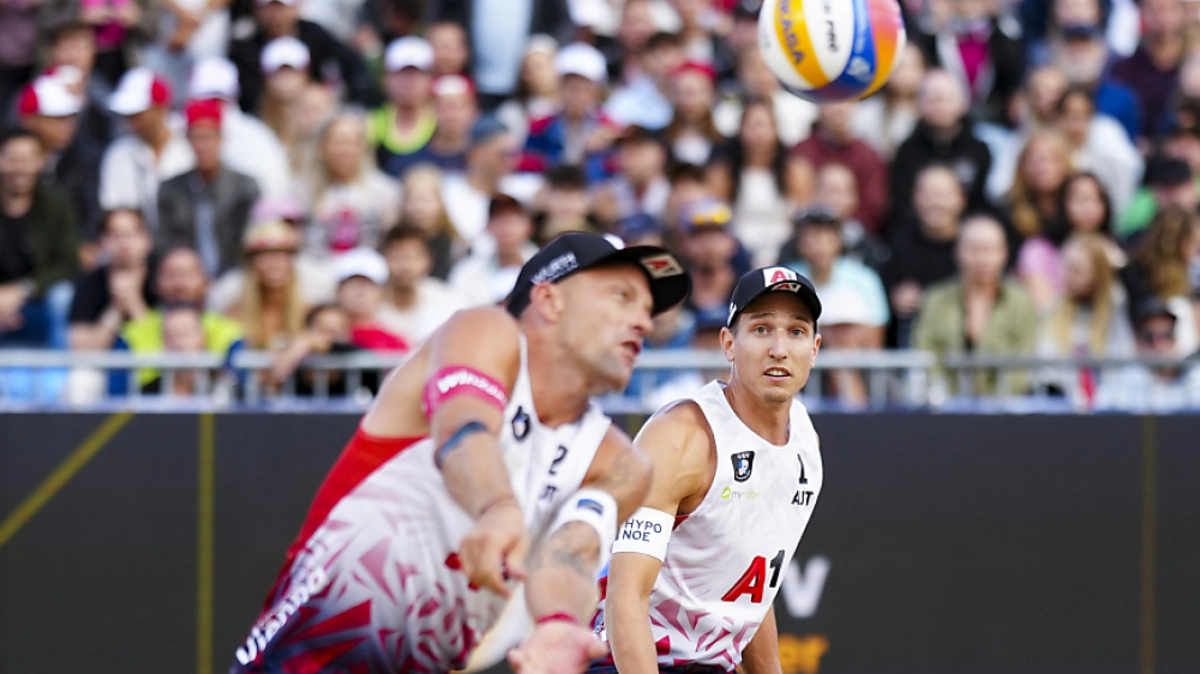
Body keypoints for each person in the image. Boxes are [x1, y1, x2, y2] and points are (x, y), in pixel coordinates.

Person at [229, 231, 690, 672]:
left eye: (649, 309)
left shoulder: (623, 462)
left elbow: (568, 554)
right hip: (303, 660)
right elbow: (463, 426)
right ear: (550, 300)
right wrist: (497, 506)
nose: (644, 322)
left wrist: (558, 626)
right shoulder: (484, 328)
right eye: (622, 297)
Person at [594, 264, 823, 674]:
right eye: (761, 329)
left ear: (815, 348)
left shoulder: (805, 442)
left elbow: (753, 596)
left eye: (796, 331)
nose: (779, 348)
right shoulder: (681, 436)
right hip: (628, 659)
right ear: (728, 344)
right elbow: (625, 596)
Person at [914, 215, 1038, 396]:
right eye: (974, 249)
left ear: (1004, 253)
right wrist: (941, 399)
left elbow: (1023, 363)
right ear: (958, 252)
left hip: (1005, 412)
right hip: (946, 409)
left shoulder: (1021, 302)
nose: (982, 258)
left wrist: (994, 408)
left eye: (990, 250)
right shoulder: (936, 300)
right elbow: (925, 355)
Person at [158, 99, 261, 278]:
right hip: (186, 278)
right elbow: (168, 242)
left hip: (235, 275)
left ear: (221, 138)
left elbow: (249, 239)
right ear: (187, 140)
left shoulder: (245, 187)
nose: (203, 146)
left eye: (208, 137)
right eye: (196, 137)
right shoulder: (171, 189)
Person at [1034, 233, 1135, 406]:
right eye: (1066, 267)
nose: (1068, 275)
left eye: (1077, 270)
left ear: (1097, 275)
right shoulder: (1053, 311)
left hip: (1108, 408)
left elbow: (1124, 364)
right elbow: (1045, 367)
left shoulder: (1117, 309)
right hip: (1064, 406)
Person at [0, 128, 78, 348]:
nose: (20, 168)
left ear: (41, 161)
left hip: (40, 293)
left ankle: (62, 374)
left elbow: (68, 263)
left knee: (63, 295)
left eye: (27, 160)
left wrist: (23, 290)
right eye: (13, 159)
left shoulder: (57, 205)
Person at [710, 98, 811, 266]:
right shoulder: (723, 173)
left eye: (763, 125)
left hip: (785, 249)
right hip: (737, 251)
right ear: (740, 130)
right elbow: (717, 218)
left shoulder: (795, 170)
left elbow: (802, 214)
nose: (758, 133)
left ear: (776, 129)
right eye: (751, 125)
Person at [228, 0, 376, 114]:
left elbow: (351, 63)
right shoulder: (245, 47)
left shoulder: (315, 34)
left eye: (281, 6)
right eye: (270, 6)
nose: (276, 14)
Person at [100, 67, 194, 234]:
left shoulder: (190, 141)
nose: (130, 123)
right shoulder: (118, 154)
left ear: (160, 109)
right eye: (127, 115)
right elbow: (115, 210)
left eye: (138, 114)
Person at [890, 69, 993, 217]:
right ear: (918, 105)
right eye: (931, 99)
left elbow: (982, 204)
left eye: (945, 98)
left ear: (963, 102)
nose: (939, 106)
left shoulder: (979, 151)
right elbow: (901, 205)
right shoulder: (907, 151)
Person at [187, 55, 293, 198]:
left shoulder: (257, 138)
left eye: (219, 99)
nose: (213, 106)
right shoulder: (177, 130)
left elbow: (273, 192)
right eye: (205, 100)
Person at [301, 111, 402, 256]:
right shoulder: (302, 191)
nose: (344, 150)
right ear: (321, 147)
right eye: (337, 142)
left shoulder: (387, 192)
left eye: (350, 143)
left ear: (363, 147)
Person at [67, 209, 155, 351]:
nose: (124, 243)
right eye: (116, 236)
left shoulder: (163, 277)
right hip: (102, 367)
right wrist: (116, 309)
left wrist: (135, 304)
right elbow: (81, 349)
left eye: (130, 235)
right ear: (102, 242)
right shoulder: (89, 282)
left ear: (147, 240)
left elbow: (160, 348)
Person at [1095, 297, 1200, 411]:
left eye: (1167, 335)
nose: (1160, 345)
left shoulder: (1194, 381)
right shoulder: (1120, 383)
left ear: (1175, 340)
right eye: (1149, 337)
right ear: (1136, 342)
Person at [377, 225, 466, 345]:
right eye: (397, 257)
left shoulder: (446, 300)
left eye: (413, 257)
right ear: (383, 258)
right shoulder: (368, 303)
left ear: (429, 261)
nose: (405, 265)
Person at [450, 194, 540, 307]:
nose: (505, 229)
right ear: (488, 226)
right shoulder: (467, 272)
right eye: (498, 220)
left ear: (529, 226)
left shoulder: (545, 267)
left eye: (512, 220)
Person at [368, 37, 437, 177]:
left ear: (430, 79)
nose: (409, 82)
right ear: (385, 79)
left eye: (416, 75)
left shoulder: (442, 124)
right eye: (401, 75)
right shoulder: (369, 125)